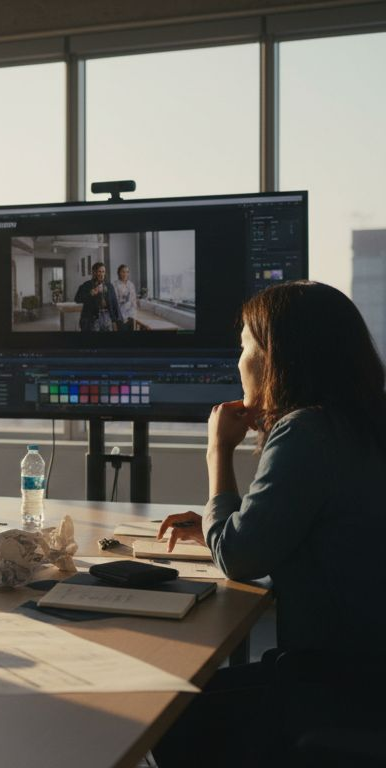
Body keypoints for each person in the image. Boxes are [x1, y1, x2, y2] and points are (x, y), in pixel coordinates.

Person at [153, 281, 386, 766]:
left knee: (166, 714)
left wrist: (218, 451)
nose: (239, 362)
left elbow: (239, 558)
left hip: (335, 684)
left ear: (275, 357)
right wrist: (229, 522)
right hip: (368, 673)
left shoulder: (307, 432)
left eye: (243, 346)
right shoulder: (363, 420)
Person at [73, 261, 122, 332]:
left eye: (103, 271)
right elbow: (77, 299)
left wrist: (116, 321)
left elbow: (115, 303)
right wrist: (90, 294)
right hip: (92, 319)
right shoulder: (87, 285)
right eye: (99, 271)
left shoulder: (109, 286)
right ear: (94, 272)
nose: (102, 274)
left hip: (107, 317)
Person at [113, 264, 138, 331]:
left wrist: (134, 316)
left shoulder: (131, 284)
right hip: (121, 316)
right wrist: (123, 317)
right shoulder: (115, 284)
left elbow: (134, 301)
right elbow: (115, 302)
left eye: (127, 272)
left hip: (131, 316)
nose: (125, 274)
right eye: (123, 272)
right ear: (119, 273)